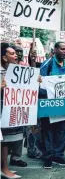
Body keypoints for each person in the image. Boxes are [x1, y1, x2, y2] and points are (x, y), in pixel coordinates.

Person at [39, 42, 65, 169]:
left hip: (63, 103)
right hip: (49, 103)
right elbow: (39, 82)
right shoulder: (47, 64)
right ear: (55, 50)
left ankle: (58, 155)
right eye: (62, 49)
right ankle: (48, 157)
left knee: (62, 130)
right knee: (48, 131)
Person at [1, 43, 22, 179]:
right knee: (3, 141)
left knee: (7, 140)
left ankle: (4, 168)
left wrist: (35, 82)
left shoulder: (15, 71)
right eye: (12, 53)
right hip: (2, 111)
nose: (16, 55)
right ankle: (4, 169)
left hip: (8, 110)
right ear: (4, 57)